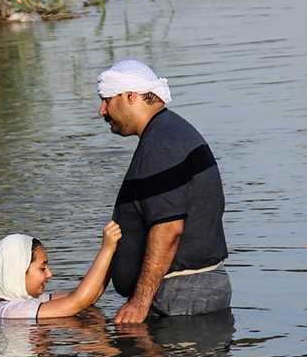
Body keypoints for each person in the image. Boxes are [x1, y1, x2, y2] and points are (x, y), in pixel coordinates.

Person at [97, 59, 231, 324]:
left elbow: (169, 229)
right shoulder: (171, 132)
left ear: (130, 96)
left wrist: (139, 302)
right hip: (190, 291)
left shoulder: (160, 144)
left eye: (106, 100)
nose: (102, 111)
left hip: (179, 294)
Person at [0, 221, 121, 320]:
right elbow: (78, 302)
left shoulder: (23, 300)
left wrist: (112, 252)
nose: (50, 274)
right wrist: (107, 248)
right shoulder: (8, 311)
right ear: (17, 272)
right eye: (42, 268)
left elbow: (90, 296)